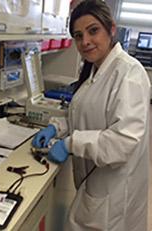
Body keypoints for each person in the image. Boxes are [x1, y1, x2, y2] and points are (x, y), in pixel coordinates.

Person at [32, 0, 151, 230]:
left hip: (113, 191)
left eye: (93, 30)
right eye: (78, 35)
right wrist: (56, 128)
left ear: (111, 29)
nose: (85, 41)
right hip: (95, 182)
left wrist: (70, 144)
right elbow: (84, 112)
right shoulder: (95, 68)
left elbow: (123, 141)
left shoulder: (129, 74)